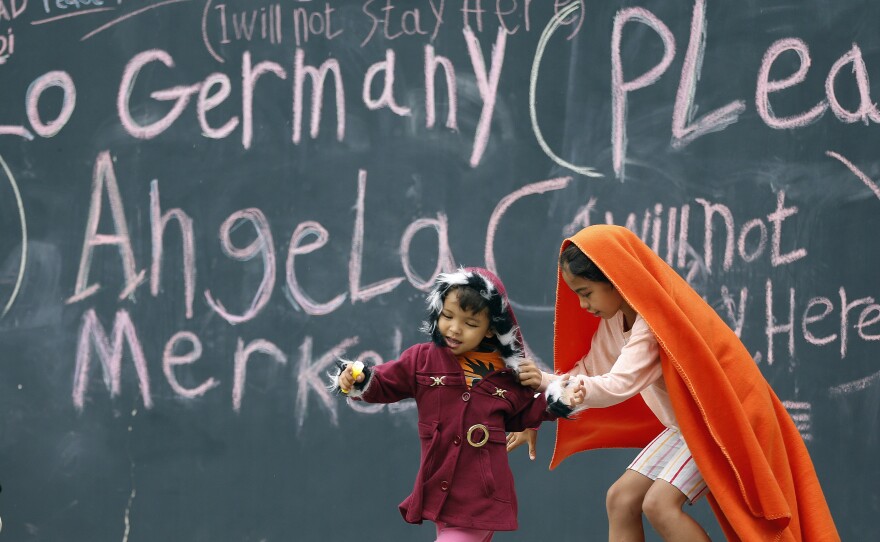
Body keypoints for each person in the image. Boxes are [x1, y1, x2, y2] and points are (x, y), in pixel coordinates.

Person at [507, 225, 839, 542]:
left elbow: (619, 384)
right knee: (620, 500)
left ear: (615, 279)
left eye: (586, 293)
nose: (582, 305)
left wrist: (570, 391)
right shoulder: (615, 324)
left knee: (660, 505)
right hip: (684, 426)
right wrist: (541, 392)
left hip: (716, 424)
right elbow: (586, 371)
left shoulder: (652, 325)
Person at [332, 267, 581, 542]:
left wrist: (555, 398)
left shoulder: (508, 375)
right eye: (447, 316)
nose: (454, 328)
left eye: (471, 324)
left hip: (482, 499)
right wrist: (359, 378)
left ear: (490, 330)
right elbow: (383, 383)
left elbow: (523, 415)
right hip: (442, 496)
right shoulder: (422, 360)